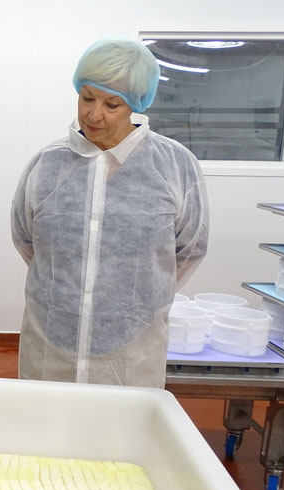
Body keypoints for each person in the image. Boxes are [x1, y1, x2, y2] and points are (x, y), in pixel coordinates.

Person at [11, 38, 209, 388]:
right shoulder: (47, 164)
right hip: (51, 347)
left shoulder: (174, 165)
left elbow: (189, 248)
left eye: (112, 104)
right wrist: (72, 288)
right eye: (87, 98)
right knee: (47, 433)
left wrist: (133, 299)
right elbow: (27, 239)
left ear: (135, 105)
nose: (93, 114)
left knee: (120, 438)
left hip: (132, 354)